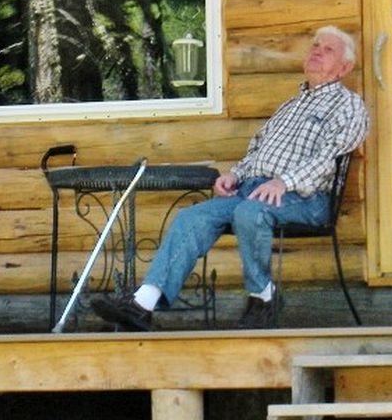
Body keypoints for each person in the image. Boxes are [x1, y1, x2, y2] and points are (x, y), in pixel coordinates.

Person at [90, 25, 369, 331]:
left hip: (306, 199)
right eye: (315, 45)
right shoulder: (291, 105)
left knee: (250, 211)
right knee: (191, 218)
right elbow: (256, 152)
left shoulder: (349, 104)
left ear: (345, 68)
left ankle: (262, 296)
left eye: (328, 49)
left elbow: (329, 158)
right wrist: (234, 175)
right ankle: (143, 304)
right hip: (252, 193)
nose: (317, 51)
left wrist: (284, 182)